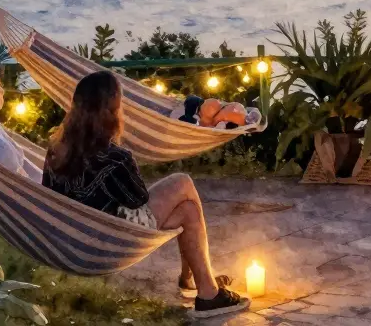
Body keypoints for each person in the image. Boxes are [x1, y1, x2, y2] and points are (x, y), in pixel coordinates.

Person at [43, 70, 249, 319]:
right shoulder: (115, 157)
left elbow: (49, 195)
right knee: (183, 182)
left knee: (189, 211)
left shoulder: (55, 150)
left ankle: (199, 285)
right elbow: (138, 199)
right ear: (111, 110)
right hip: (113, 238)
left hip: (75, 239)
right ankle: (204, 289)